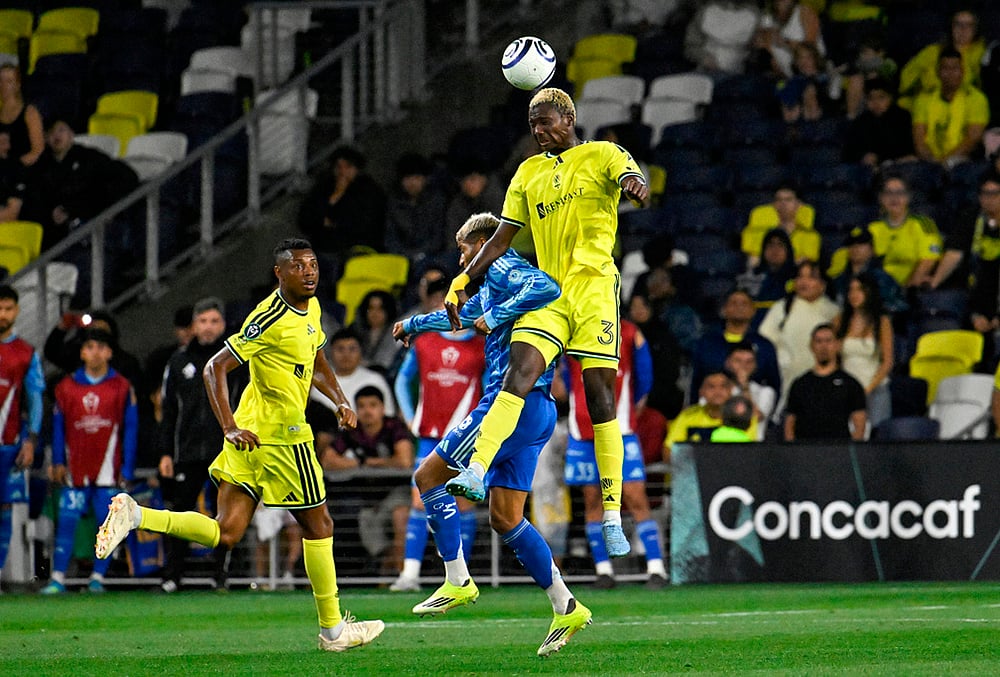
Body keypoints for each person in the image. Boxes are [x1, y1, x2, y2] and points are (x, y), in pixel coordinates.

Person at [95, 238, 384, 652]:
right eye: (298, 266)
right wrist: (227, 427)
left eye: (313, 264)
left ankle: (138, 515)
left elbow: (316, 360)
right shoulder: (267, 318)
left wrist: (339, 399)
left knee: (226, 532)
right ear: (278, 273)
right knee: (320, 526)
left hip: (252, 435)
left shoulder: (314, 309)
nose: (309, 272)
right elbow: (216, 368)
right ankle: (334, 631)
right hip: (280, 437)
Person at [442, 87, 649, 558]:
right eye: (534, 123)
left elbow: (635, 178)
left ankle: (612, 515)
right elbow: (499, 241)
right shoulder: (527, 172)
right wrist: (462, 279)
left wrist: (637, 186)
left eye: (547, 120)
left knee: (598, 399)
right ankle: (475, 470)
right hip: (549, 292)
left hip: (595, 289)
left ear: (570, 117)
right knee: (519, 374)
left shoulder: (603, 154)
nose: (539, 130)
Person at [393, 212, 593, 657]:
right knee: (505, 517)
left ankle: (457, 580)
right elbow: (463, 318)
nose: (465, 261)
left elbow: (547, 287)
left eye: (467, 251)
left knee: (427, 478)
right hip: (537, 409)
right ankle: (566, 605)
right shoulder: (497, 283)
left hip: (507, 406)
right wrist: (412, 325)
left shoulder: (501, 265)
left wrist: (496, 314)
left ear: (485, 244)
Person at [390, 278, 485, 592]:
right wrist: (409, 419)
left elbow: (493, 390)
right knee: (419, 501)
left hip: (467, 437)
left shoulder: (483, 344)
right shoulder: (425, 342)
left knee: (463, 504)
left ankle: (462, 574)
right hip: (430, 436)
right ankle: (410, 575)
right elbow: (402, 382)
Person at [563, 319, 668, 590]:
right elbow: (565, 376)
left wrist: (626, 413)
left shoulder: (630, 332)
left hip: (619, 430)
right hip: (582, 432)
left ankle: (656, 569)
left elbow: (645, 379)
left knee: (635, 496)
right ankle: (604, 571)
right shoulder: (571, 326)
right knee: (593, 500)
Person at [156, 297, 244, 592]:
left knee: (226, 513)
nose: (208, 328)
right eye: (202, 321)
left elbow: (246, 402)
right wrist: (166, 452)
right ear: (193, 325)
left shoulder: (236, 360)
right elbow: (168, 411)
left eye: (214, 321)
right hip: (188, 451)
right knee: (180, 513)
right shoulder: (178, 361)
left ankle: (220, 574)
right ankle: (172, 575)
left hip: (227, 450)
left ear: (223, 325)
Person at [41, 328, 137, 594]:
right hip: (75, 469)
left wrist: (127, 468)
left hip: (109, 470)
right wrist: (58, 460)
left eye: (101, 347)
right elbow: (58, 428)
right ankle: (57, 578)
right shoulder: (66, 387)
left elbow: (130, 428)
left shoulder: (122, 387)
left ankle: (97, 578)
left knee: (106, 525)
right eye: (90, 347)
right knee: (67, 522)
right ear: (82, 352)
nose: (95, 352)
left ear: (109, 352)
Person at [328, 386, 414, 576]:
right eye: (362, 406)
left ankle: (404, 576)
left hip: (398, 491)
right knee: (369, 527)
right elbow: (328, 459)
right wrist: (358, 463)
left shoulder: (394, 427)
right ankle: (386, 571)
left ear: (383, 408)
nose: (367, 411)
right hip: (369, 498)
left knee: (401, 516)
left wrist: (373, 462)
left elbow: (405, 460)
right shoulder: (352, 429)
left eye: (373, 405)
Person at [929, 172, 1000, 368]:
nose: (990, 199)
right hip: (977, 296)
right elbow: (954, 254)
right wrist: (934, 282)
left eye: (995, 194)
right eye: (986, 194)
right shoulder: (971, 218)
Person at [0, 285, 43, 590]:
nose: (2, 315)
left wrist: (31, 440)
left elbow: (36, 399)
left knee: (4, 510)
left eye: (8, 308)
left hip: (9, 446)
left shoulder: (26, 353)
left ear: (16, 311)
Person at [758, 260, 840, 411]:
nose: (804, 282)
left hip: (822, 380)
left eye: (811, 277)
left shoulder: (833, 312)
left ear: (823, 284)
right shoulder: (782, 308)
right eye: (800, 277)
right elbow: (765, 339)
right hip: (786, 378)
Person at [297, 146, 387, 282]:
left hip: (357, 250)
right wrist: (335, 198)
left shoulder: (368, 191)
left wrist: (331, 221)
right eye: (339, 167)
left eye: (348, 167)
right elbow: (305, 219)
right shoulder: (323, 188)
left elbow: (363, 224)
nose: (342, 172)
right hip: (322, 248)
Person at [307, 327, 396, 459]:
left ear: (361, 352)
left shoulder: (375, 380)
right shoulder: (319, 382)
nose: (346, 355)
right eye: (340, 349)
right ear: (330, 352)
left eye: (352, 349)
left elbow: (388, 418)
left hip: (368, 445)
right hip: (327, 449)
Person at [690, 287, 781, 395]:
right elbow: (696, 380)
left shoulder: (765, 345)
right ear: (723, 310)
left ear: (753, 311)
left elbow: (774, 383)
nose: (739, 307)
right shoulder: (707, 342)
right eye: (733, 303)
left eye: (744, 304)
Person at [784, 323, 867, 441]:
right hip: (805, 452)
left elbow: (859, 426)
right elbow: (789, 424)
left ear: (837, 345)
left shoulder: (851, 384)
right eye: (819, 341)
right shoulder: (800, 384)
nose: (824, 346)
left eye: (828, 341)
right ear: (811, 346)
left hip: (838, 452)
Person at [911, 47, 990, 168]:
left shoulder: (976, 98)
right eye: (945, 68)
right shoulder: (923, 99)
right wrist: (933, 162)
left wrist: (946, 162)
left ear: (962, 71)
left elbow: (972, 139)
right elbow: (919, 139)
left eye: (955, 68)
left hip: (964, 162)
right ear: (938, 71)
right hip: (929, 162)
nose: (950, 73)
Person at [834, 273, 894, 429]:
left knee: (876, 436)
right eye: (851, 290)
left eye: (859, 289)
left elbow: (887, 362)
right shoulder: (839, 321)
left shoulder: (882, 321)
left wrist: (868, 389)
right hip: (847, 390)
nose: (854, 294)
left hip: (875, 388)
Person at [867, 174, 943, 289]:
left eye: (900, 193)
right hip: (877, 289)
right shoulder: (872, 227)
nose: (894, 198)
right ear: (881, 198)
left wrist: (907, 289)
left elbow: (929, 260)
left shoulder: (923, 224)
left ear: (908, 197)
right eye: (889, 193)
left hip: (911, 290)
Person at [899, 9, 985, 109]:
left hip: (963, 108)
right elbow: (906, 78)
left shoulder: (983, 55)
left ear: (976, 29)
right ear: (951, 27)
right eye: (958, 24)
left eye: (969, 25)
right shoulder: (932, 51)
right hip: (925, 106)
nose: (963, 29)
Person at [829, 226, 909, 318]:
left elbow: (900, 306)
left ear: (872, 249)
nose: (855, 248)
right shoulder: (840, 280)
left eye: (861, 243)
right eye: (851, 244)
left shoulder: (883, 279)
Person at [384, 152, 449, 266]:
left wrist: (420, 254)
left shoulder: (436, 201)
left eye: (417, 178)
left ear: (425, 179)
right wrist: (403, 254)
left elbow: (439, 237)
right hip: (399, 258)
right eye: (408, 178)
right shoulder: (394, 202)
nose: (412, 183)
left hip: (431, 257)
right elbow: (390, 236)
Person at [842, 77, 916, 167]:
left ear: (891, 97)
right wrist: (863, 157)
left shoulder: (903, 117)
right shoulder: (862, 121)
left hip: (899, 166)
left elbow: (907, 148)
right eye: (871, 98)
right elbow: (849, 151)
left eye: (881, 97)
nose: (876, 103)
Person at [741, 185, 820, 268]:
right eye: (778, 200)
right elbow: (753, 262)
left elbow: (805, 265)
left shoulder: (811, 236)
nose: (783, 204)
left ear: (799, 205)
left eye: (788, 200)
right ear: (774, 204)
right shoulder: (759, 231)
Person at [684, 0, 762, 76]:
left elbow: (757, 53)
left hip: (737, 76)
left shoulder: (756, 15)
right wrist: (704, 58)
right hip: (705, 72)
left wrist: (754, 48)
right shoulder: (706, 10)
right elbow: (690, 45)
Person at [752, 0, 826, 79]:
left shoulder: (804, 12)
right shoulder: (767, 19)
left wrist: (785, 43)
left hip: (813, 75)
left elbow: (811, 48)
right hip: (785, 78)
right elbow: (767, 50)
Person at [664, 371, 734, 451]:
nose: (717, 391)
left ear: (731, 390)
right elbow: (669, 449)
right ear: (701, 391)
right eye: (711, 387)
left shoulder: (742, 416)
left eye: (723, 386)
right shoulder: (687, 416)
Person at [723, 341, 776, 440]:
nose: (743, 366)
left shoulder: (766, 392)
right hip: (721, 444)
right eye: (738, 361)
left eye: (749, 362)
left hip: (754, 447)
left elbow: (755, 417)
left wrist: (744, 387)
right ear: (728, 363)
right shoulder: (718, 389)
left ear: (755, 365)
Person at [776, 42, 837, 123]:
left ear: (815, 59)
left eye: (808, 57)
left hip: (821, 118)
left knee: (809, 88)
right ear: (796, 61)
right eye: (800, 58)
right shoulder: (793, 79)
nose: (804, 61)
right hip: (795, 117)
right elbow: (779, 88)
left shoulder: (823, 76)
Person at [350, 290, 402, 376]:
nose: (375, 313)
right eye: (371, 308)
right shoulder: (354, 331)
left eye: (380, 308)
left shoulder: (396, 333)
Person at [0, 64, 43, 168]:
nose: (3, 85)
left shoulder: (29, 112)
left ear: (17, 85)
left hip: (24, 170)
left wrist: (15, 166)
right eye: (1, 80)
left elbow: (38, 150)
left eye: (9, 81)